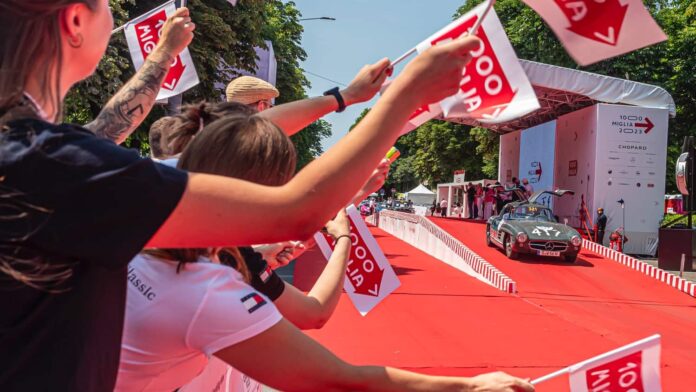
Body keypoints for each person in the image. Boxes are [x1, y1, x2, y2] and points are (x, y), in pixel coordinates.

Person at [1, 2, 526, 390]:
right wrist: (405, 94)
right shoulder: (66, 170)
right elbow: (296, 214)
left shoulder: (39, 158)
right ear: (74, 21)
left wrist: (344, 97)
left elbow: (226, 139)